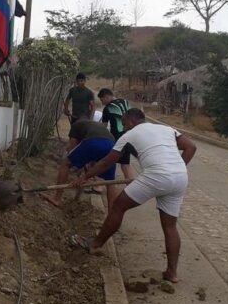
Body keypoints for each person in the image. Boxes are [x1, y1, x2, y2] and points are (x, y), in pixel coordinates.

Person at [71, 109, 197, 283]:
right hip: (180, 177)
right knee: (170, 226)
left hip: (157, 175)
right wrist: (176, 168)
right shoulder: (166, 129)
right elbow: (191, 147)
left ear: (130, 121)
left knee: (118, 206)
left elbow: (107, 162)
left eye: (124, 122)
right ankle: (172, 272)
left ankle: (95, 245)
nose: (124, 126)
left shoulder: (128, 136)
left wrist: (85, 177)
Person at [48, 118, 116, 207]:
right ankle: (112, 212)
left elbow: (71, 146)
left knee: (65, 164)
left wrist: (71, 159)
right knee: (110, 181)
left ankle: (56, 199)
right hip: (112, 145)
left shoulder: (76, 126)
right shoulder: (94, 126)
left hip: (94, 141)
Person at [97, 88, 135, 203]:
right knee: (125, 164)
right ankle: (133, 189)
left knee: (106, 162)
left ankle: (100, 186)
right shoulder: (125, 102)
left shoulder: (108, 108)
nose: (102, 102)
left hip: (117, 139)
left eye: (102, 99)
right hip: (129, 135)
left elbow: (103, 126)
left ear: (107, 96)